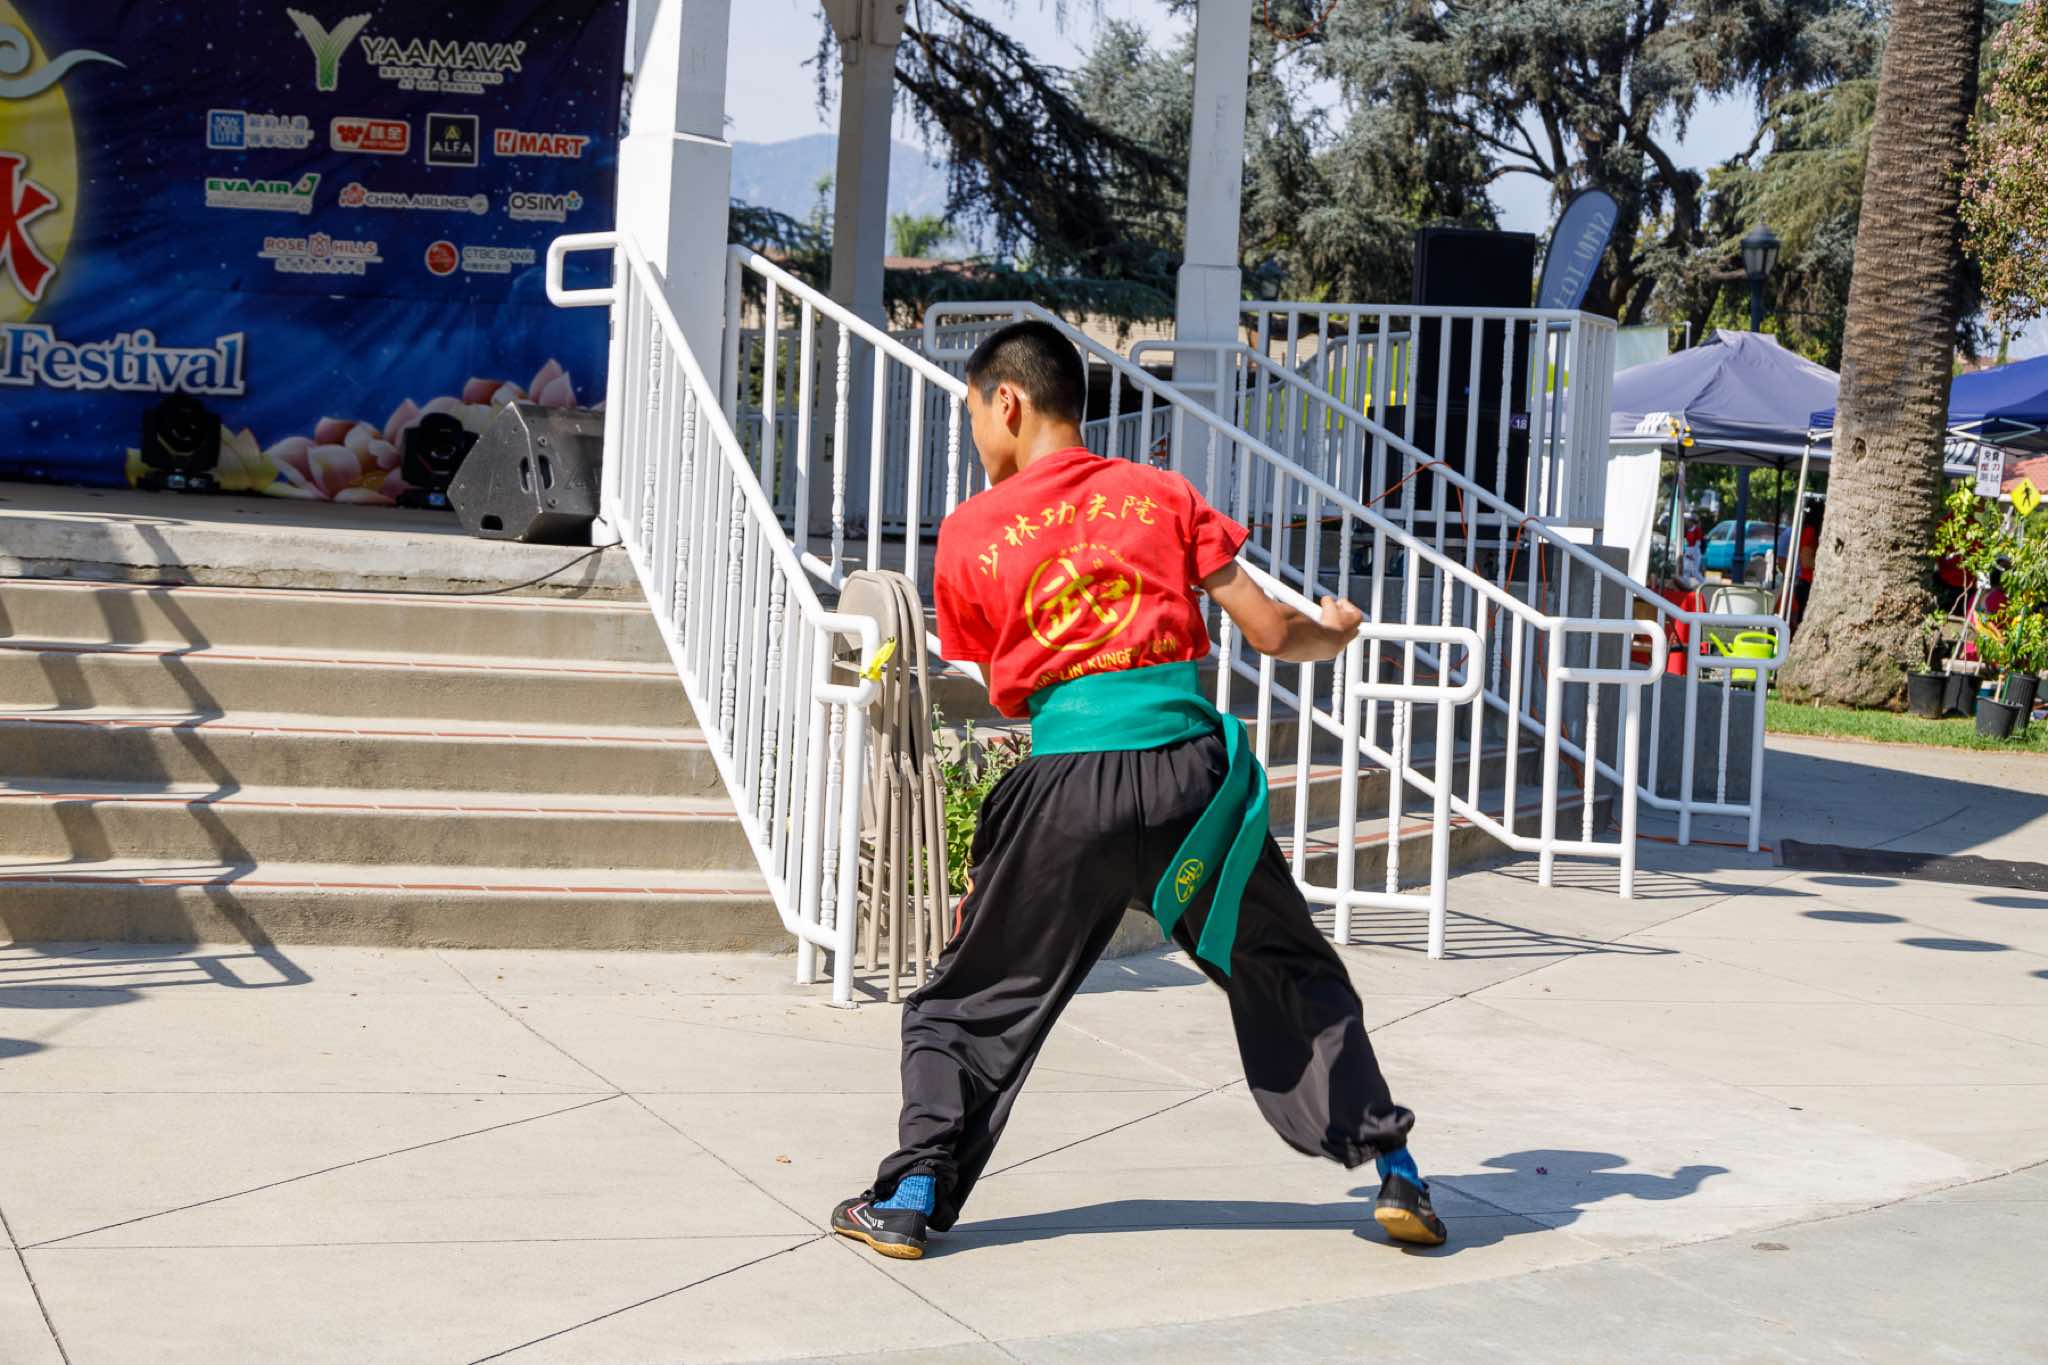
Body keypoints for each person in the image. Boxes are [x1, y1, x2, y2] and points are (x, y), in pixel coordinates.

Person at [831, 319, 1443, 1262]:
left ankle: (912, 1194)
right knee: (1287, 962)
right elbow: (1271, 633)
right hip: (1192, 782)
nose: (976, 434)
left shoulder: (971, 531)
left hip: (1068, 790)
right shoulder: (1162, 493)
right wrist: (1335, 630)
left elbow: (1001, 681)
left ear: (1007, 401)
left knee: (971, 995)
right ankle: (1396, 1169)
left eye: (973, 414)